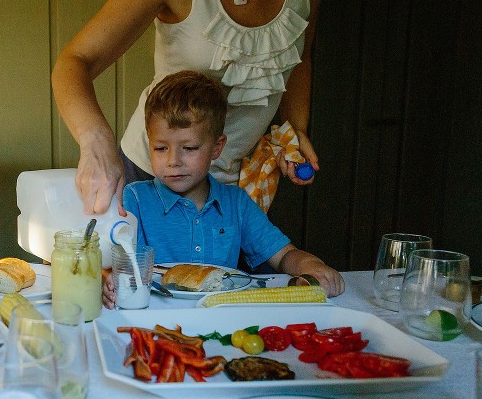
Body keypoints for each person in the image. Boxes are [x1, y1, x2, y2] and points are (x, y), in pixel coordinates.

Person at [52, 0, 327, 216]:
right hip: (149, 176)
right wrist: (96, 142)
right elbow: (74, 62)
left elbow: (300, 58)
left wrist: (295, 130)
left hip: (239, 185)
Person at [102, 71, 343, 308]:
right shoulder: (134, 199)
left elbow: (284, 255)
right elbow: (114, 263)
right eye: (161, 148)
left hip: (223, 320)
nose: (173, 160)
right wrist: (108, 279)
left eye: (190, 148)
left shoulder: (236, 203)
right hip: (153, 321)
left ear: (217, 147)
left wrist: (310, 265)